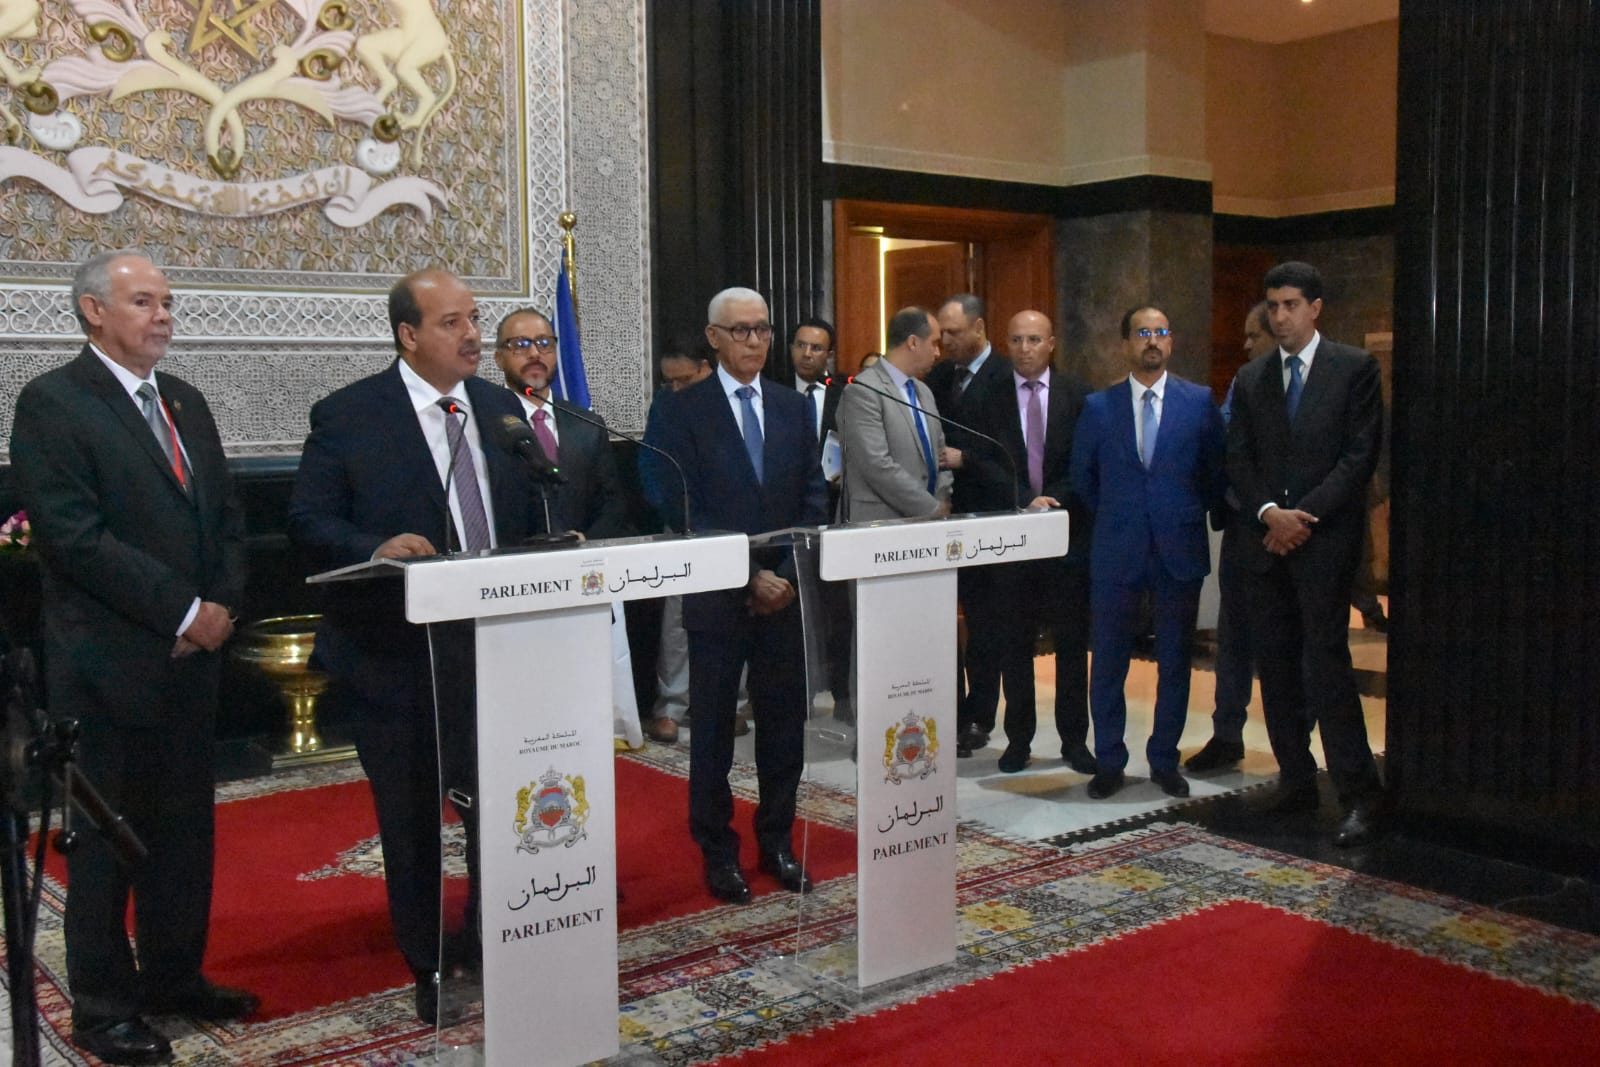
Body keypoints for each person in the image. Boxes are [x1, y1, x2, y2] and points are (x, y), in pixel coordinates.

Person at [10, 250, 257, 1064]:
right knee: (108, 837)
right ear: (92, 312)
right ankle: (105, 1007)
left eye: (167, 300)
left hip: (194, 659)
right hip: (110, 662)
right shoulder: (52, 403)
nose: (162, 315)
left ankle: (174, 975)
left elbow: (223, 514)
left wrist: (219, 606)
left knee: (185, 831)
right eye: (143, 301)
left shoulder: (184, 400)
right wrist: (182, 610)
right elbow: (75, 537)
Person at [288, 268, 548, 1023]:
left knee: (500, 808)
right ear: (408, 335)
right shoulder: (349, 414)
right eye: (451, 323)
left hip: (496, 653)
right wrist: (377, 547)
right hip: (395, 656)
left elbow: (532, 515)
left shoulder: (503, 411)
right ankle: (427, 961)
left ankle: (496, 934)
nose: (472, 335)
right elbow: (309, 520)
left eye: (475, 319)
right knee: (411, 821)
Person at [641, 286, 829, 905]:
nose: (755, 341)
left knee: (783, 728)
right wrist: (746, 574)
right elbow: (679, 502)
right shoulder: (681, 410)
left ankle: (776, 840)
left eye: (762, 330)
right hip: (719, 596)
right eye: (741, 330)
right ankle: (718, 851)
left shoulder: (792, 407)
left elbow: (811, 495)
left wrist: (781, 576)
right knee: (715, 732)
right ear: (714, 338)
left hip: (783, 593)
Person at [1227, 261, 1385, 846]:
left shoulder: (1354, 368)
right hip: (1268, 543)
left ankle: (1359, 793)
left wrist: (1302, 518)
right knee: (1277, 667)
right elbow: (1238, 459)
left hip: (1322, 544)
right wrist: (1270, 513)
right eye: (1273, 306)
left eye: (1291, 305)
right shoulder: (1252, 378)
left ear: (1315, 308)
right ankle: (1295, 779)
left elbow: (1358, 457)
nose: (1281, 315)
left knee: (1326, 667)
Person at [1070, 305, 1225, 800]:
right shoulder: (1099, 407)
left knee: (1176, 660)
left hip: (1178, 546)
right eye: (1142, 333)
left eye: (1160, 331)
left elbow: (1213, 472)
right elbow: (1083, 478)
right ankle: (1110, 760)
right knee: (1110, 660)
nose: (1152, 340)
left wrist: (1175, 510)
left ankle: (1164, 758)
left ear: (1171, 341)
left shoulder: (1198, 402)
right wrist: (1122, 515)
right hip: (1117, 547)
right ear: (1125, 344)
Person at [963, 310, 1097, 775]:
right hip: (1011, 541)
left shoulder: (1079, 395)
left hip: (1067, 538)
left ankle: (1075, 741)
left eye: (1034, 339)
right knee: (1013, 645)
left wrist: (1053, 498)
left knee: (1072, 645)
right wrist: (1025, 500)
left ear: (1051, 343)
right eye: (1016, 339)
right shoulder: (986, 395)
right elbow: (981, 461)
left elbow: (1086, 460)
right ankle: (1018, 739)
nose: (1024, 348)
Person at [1187, 300, 1277, 773]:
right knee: (1235, 637)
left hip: (1293, 533)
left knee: (1289, 645)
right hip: (1245, 528)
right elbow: (1225, 449)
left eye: (1252, 335)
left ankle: (1294, 739)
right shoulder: (1244, 382)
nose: (1245, 344)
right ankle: (1227, 734)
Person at [926, 294, 1014, 757]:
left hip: (987, 513)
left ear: (979, 328)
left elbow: (1012, 450)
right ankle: (949, 708)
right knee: (942, 620)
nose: (946, 342)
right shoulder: (940, 376)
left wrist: (969, 459)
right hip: (942, 514)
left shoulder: (1004, 376)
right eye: (941, 333)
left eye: (955, 333)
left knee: (984, 623)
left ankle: (980, 714)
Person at [492, 306, 630, 541]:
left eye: (544, 343)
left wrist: (584, 540)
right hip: (510, 563)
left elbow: (612, 504)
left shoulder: (588, 425)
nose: (535, 353)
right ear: (498, 358)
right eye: (520, 345)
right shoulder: (488, 422)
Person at [644, 337, 715, 743]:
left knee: (732, 612)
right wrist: (667, 506)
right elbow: (651, 461)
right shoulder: (666, 404)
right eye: (667, 381)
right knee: (676, 619)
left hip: (725, 526)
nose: (674, 388)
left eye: (682, 380)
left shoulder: (723, 402)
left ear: (705, 368)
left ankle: (734, 703)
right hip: (680, 523)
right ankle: (671, 706)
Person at [790, 317, 854, 722]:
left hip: (836, 512)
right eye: (801, 345)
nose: (807, 354)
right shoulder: (773, 391)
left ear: (829, 354)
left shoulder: (847, 391)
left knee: (838, 608)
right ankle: (799, 694)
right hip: (789, 513)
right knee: (796, 609)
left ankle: (844, 695)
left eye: (816, 348)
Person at [836, 307, 952, 521]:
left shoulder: (924, 392)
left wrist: (941, 498)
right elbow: (876, 465)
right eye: (934, 343)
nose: (938, 353)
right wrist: (929, 507)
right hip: (881, 523)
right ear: (913, 342)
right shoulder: (863, 391)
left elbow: (941, 457)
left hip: (929, 529)